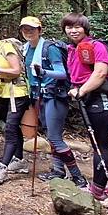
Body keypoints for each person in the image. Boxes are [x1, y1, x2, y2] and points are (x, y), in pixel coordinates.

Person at [61, 12, 108, 206]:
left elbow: (100, 73)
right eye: (69, 27)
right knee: (104, 144)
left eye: (77, 27)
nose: (73, 30)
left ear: (85, 28)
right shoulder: (73, 49)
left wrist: (81, 90)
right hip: (88, 98)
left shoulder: (97, 46)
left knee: (100, 145)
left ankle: (98, 191)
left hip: (101, 98)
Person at [20, 16, 87, 188]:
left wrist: (44, 72)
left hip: (55, 96)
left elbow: (62, 73)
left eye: (32, 29)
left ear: (40, 30)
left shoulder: (49, 48)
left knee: (55, 138)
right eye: (25, 29)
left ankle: (78, 176)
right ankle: (58, 171)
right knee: (51, 135)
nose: (28, 32)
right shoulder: (26, 49)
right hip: (39, 96)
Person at [0, 22, 31, 185]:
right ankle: (20, 160)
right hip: (2, 92)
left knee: (10, 127)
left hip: (18, 92)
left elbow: (16, 70)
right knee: (13, 127)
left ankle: (2, 167)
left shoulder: (6, 47)